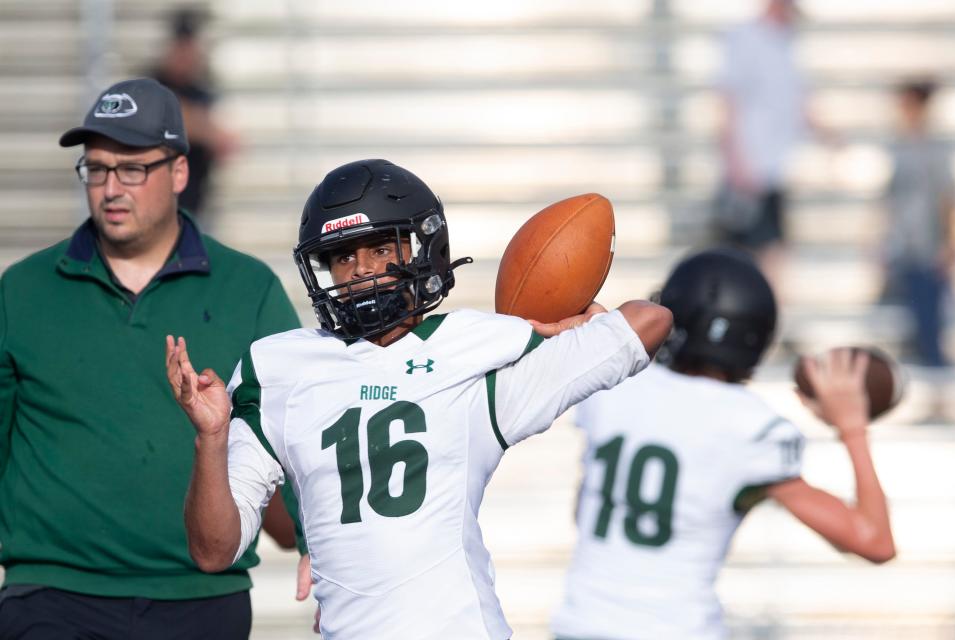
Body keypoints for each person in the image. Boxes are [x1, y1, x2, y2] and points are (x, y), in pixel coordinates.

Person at [165, 158, 674, 639]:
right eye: (343, 256)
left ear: (420, 250)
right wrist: (210, 439)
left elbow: (649, 321)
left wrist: (565, 314)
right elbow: (214, 551)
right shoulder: (279, 369)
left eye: (381, 250)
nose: (362, 270)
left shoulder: (476, 362)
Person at [0, 78, 300, 640]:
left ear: (179, 172)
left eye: (132, 168)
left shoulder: (250, 288)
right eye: (97, 168)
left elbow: (296, 431)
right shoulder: (20, 292)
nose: (111, 187)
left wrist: (309, 542)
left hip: (202, 595)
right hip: (52, 595)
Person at [551, 248, 895, 640]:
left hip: (580, 625)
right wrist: (852, 427)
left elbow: (583, 511)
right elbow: (875, 541)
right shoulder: (752, 428)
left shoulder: (611, 386)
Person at [714, 0, 829, 285]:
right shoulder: (744, 39)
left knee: (769, 251)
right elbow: (728, 103)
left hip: (774, 168)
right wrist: (736, 162)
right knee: (753, 253)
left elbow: (797, 104)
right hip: (751, 167)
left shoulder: (787, 44)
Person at [882, 78, 955, 369]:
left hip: (927, 239)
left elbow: (947, 199)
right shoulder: (898, 146)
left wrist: (949, 243)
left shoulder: (935, 150)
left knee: (929, 308)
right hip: (902, 240)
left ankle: (933, 362)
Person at [150, 7, 237, 219]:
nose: (186, 56)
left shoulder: (203, 90)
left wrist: (192, 123)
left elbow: (228, 143)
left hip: (194, 203)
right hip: (154, 203)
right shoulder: (151, 83)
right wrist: (202, 126)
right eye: (181, 48)